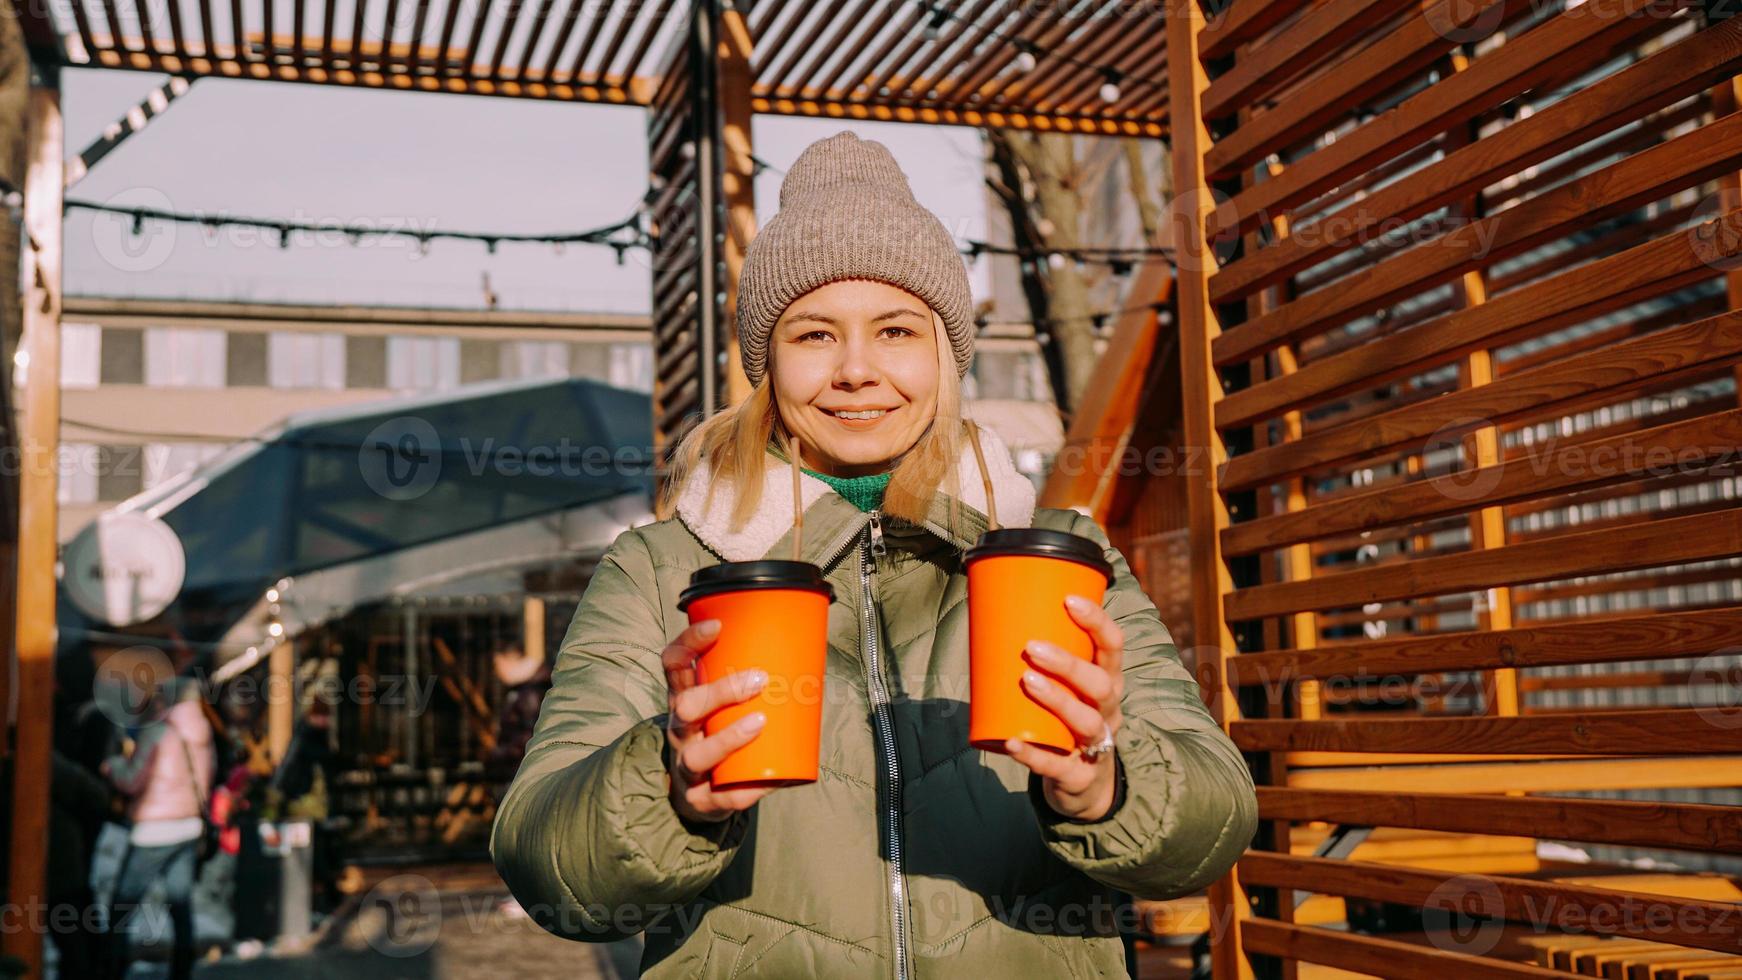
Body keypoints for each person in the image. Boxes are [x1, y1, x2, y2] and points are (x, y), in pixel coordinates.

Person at [491, 130, 1257, 978]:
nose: (857, 371)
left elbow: (1215, 824)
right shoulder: (662, 568)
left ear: (945, 353)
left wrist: (1105, 785)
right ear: (768, 364)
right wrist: (668, 791)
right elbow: (545, 868)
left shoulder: (1061, 555)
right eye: (814, 335)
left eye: (895, 330)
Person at [102, 673, 213, 980]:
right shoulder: (201, 729)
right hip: (189, 826)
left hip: (155, 830)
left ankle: (112, 968)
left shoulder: (159, 731)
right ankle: (182, 970)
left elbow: (131, 780)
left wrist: (112, 765)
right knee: (180, 903)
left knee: (121, 906)